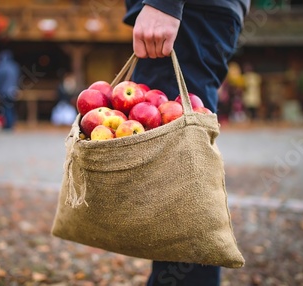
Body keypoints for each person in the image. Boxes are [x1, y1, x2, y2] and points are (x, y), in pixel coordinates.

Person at [123, 0, 250, 285]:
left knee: (182, 190)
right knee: (175, 187)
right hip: (195, 14)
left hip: (188, 13)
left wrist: (164, 4)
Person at [0, 50, 20, 130]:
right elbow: (18, 78)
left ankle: (8, 125)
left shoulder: (1, 66)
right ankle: (11, 123)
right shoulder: (14, 66)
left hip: (4, 91)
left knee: (6, 108)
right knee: (11, 107)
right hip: (13, 90)